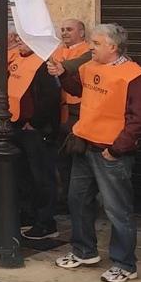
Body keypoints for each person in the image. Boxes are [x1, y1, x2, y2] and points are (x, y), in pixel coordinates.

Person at [48, 23, 141, 282]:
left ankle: (125, 264)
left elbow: (139, 120)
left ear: (112, 47)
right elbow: (78, 90)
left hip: (110, 153)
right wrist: (62, 74)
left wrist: (116, 149)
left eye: (95, 43)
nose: (91, 48)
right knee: (78, 200)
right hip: (85, 145)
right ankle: (84, 250)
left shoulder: (132, 75)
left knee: (118, 210)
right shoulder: (91, 67)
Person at [7, 31, 62, 241]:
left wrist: (35, 122)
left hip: (36, 130)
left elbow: (51, 98)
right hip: (17, 126)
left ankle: (46, 222)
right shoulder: (18, 60)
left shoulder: (44, 64)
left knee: (42, 178)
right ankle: (28, 215)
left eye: (23, 38)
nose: (19, 41)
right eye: (18, 38)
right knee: (24, 176)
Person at [51, 19, 91, 212]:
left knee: (74, 157)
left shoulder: (86, 53)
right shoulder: (58, 51)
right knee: (60, 159)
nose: (64, 32)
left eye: (69, 29)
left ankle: (74, 201)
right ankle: (63, 198)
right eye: (62, 29)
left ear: (82, 33)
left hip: (76, 111)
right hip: (58, 110)